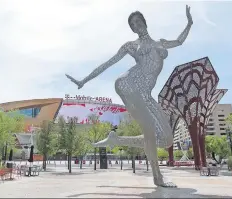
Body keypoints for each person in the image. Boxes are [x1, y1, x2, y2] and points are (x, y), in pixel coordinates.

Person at [66, 5, 193, 187]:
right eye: (132, 24)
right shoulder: (132, 46)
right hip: (129, 84)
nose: (136, 25)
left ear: (144, 23)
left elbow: (179, 41)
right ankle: (158, 177)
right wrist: (84, 80)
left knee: (166, 139)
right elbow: (108, 63)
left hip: (146, 95)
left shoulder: (160, 43)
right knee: (149, 130)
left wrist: (189, 23)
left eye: (138, 21)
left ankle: (116, 140)